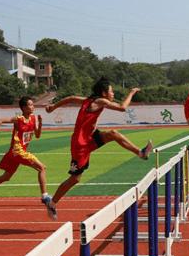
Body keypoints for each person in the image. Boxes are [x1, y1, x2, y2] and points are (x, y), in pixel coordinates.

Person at [44, 77, 153, 218]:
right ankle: (52, 204)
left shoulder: (87, 100)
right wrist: (131, 93)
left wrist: (53, 107)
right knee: (75, 179)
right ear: (103, 93)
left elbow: (70, 98)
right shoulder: (101, 101)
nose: (113, 94)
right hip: (80, 144)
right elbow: (122, 108)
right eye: (111, 91)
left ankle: (141, 153)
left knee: (113, 134)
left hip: (90, 136)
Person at [0, 96, 51, 212]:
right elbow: (0, 120)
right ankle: (45, 196)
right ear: (24, 108)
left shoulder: (33, 118)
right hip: (17, 150)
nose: (33, 107)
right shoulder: (18, 119)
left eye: (33, 104)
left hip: (17, 152)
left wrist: (40, 123)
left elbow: (38, 135)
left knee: (7, 176)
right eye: (30, 105)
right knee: (41, 168)